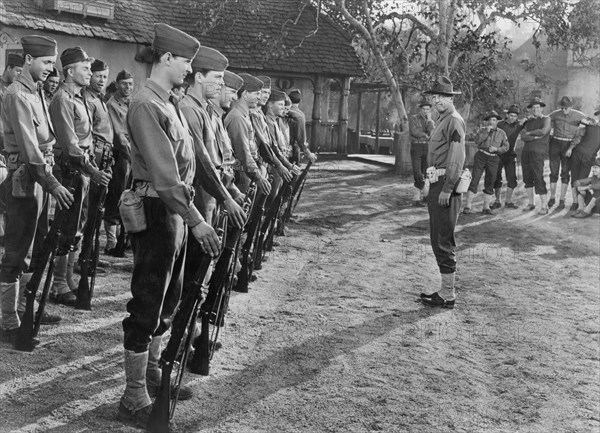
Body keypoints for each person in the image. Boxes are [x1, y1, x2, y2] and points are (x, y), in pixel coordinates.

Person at [117, 23, 219, 427]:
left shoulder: (169, 101)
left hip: (174, 212)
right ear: (166, 59)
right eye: (186, 63)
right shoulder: (146, 104)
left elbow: (192, 160)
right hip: (159, 211)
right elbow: (164, 175)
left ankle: (153, 374)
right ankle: (132, 397)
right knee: (147, 300)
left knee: (168, 298)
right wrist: (196, 221)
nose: (189, 71)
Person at [0, 35, 74, 344]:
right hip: (25, 180)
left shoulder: (37, 92)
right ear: (28, 59)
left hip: (37, 179)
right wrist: (53, 183)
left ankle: (22, 309)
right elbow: (30, 150)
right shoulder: (18, 94)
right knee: (16, 251)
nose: (49, 68)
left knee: (31, 250)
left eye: (51, 62)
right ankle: (7, 322)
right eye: (45, 62)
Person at [49, 47, 111, 306]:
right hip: (70, 173)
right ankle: (59, 285)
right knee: (66, 228)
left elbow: (88, 139)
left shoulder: (81, 97)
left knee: (77, 227)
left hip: (82, 174)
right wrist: (93, 171)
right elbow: (71, 146)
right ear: (70, 71)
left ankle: (68, 278)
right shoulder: (62, 98)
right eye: (85, 68)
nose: (90, 73)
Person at [420, 76, 465, 308]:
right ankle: (445, 291)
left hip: (448, 186)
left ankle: (448, 294)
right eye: (434, 96)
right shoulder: (441, 119)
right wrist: (430, 183)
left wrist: (447, 188)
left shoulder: (454, 121)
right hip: (437, 182)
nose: (436, 100)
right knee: (437, 238)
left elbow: (456, 158)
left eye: (441, 97)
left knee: (444, 239)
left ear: (450, 98)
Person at [224, 73, 271, 196]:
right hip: (242, 173)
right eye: (256, 94)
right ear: (245, 94)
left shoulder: (245, 116)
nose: (259, 97)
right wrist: (258, 176)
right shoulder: (237, 118)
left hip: (248, 172)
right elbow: (243, 153)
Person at [105, 70, 134, 255]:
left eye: (131, 84)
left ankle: (126, 238)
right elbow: (119, 135)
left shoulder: (132, 104)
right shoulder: (112, 105)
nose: (128, 87)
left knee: (130, 194)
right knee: (116, 194)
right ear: (116, 84)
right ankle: (111, 240)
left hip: (132, 154)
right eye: (124, 84)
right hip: (119, 155)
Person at [463, 110, 508, 215]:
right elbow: (477, 141)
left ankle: (486, 206)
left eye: (494, 120)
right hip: (481, 156)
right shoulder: (482, 130)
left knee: (491, 180)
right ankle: (468, 205)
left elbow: (506, 146)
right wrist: (486, 132)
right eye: (490, 120)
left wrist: (497, 149)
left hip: (493, 158)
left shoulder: (501, 133)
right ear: (487, 122)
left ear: (497, 121)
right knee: (475, 179)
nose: (492, 122)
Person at [547, 96, 586, 209]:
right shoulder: (555, 114)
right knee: (553, 172)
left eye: (566, 108)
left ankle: (562, 199)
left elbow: (590, 122)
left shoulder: (579, 115)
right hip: (555, 143)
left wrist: (573, 146)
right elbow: (545, 120)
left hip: (568, 145)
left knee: (565, 173)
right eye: (562, 108)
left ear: (571, 106)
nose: (564, 110)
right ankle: (552, 197)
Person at [520, 97, 551, 214]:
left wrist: (529, 133)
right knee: (527, 178)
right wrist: (533, 136)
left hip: (538, 152)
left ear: (541, 108)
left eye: (538, 107)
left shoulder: (546, 119)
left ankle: (544, 206)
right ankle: (531, 203)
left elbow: (544, 131)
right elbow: (523, 136)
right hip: (526, 152)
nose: (535, 109)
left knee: (538, 177)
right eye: (533, 107)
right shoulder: (528, 121)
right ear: (530, 109)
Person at [491, 104, 526, 209]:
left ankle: (508, 201)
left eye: (515, 116)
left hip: (510, 155)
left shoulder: (519, 125)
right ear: (507, 115)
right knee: (497, 178)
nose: (513, 118)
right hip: (498, 154)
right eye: (511, 115)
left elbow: (529, 122)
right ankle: (497, 201)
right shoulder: (500, 124)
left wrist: (527, 119)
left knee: (512, 178)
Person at [567, 109, 600, 212]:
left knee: (582, 181)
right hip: (577, 154)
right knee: (574, 178)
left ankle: (582, 205)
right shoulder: (589, 125)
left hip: (588, 158)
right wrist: (570, 148)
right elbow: (578, 135)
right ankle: (575, 202)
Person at [409, 96, 435, 206]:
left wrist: (429, 121)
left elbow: (432, 133)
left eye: (428, 109)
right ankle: (425, 191)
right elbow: (414, 132)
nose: (426, 111)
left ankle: (417, 198)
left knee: (426, 171)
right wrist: (425, 135)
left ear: (430, 110)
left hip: (426, 147)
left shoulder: (430, 121)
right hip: (416, 147)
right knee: (417, 172)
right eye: (424, 109)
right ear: (420, 109)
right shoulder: (413, 118)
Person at [287, 88, 317, 163]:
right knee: (293, 172)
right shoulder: (299, 115)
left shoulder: (283, 112)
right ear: (300, 101)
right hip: (293, 149)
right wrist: (308, 153)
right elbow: (300, 138)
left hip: (281, 148)